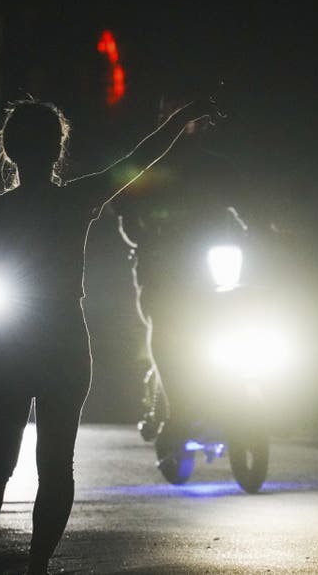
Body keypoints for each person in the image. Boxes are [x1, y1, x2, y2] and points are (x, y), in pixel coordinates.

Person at [0, 98, 212, 575]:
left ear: (8, 151)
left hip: (7, 343)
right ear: (57, 150)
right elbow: (143, 155)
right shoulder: (76, 199)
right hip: (65, 342)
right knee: (56, 466)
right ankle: (37, 565)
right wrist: (184, 115)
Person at [111, 127, 249, 460]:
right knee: (166, 327)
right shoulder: (146, 163)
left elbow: (251, 205)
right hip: (161, 265)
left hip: (208, 266)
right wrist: (142, 233)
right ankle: (177, 410)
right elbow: (122, 205)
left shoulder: (219, 166)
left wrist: (273, 229)